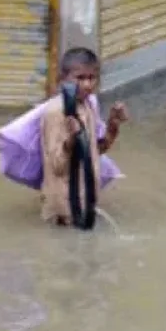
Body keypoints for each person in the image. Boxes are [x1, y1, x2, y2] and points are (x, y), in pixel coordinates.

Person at [40, 48, 129, 225]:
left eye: (91, 77)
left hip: (84, 204)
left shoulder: (86, 106)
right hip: (64, 214)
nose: (87, 85)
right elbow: (57, 166)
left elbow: (94, 152)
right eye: (80, 78)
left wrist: (112, 126)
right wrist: (71, 140)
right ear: (62, 80)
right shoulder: (56, 113)